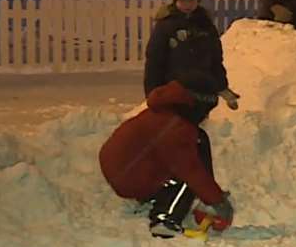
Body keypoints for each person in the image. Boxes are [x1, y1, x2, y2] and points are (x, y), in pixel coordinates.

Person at [98, 76, 234, 237]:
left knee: (198, 140)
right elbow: (191, 171)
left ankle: (159, 198)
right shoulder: (173, 127)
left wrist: (211, 195)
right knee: (188, 179)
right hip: (127, 176)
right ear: (197, 106)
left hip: (125, 167)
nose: (206, 117)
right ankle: (164, 219)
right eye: (206, 111)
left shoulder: (167, 111)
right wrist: (218, 202)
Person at [144, 0, 241, 111]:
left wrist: (222, 87)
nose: (188, 4)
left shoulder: (205, 25)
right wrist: (152, 93)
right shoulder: (166, 26)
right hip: (173, 92)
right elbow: (154, 62)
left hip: (202, 94)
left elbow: (215, 60)